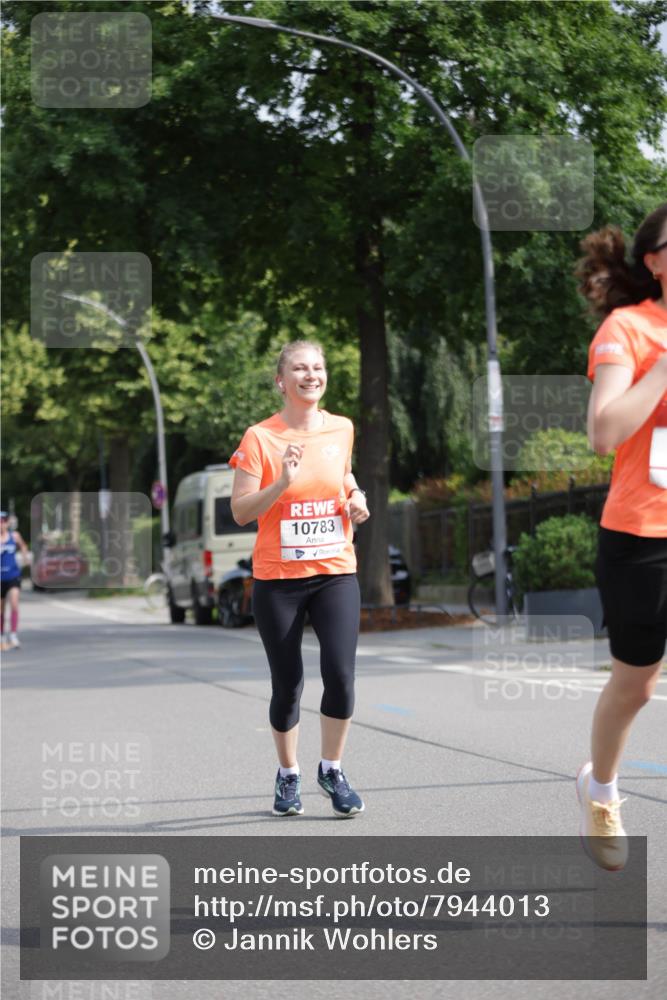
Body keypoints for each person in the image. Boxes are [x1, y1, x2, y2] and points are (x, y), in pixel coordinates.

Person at [229, 340, 370, 818]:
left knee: (341, 674)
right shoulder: (260, 438)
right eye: (299, 368)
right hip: (278, 580)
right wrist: (281, 483)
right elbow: (242, 511)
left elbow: (344, 475)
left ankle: (332, 769)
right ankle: (288, 775)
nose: (311, 375)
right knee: (288, 683)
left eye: (318, 367)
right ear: (281, 380)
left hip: (334, 572)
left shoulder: (342, 428)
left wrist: (356, 497)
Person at [575, 203, 667, 870]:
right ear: (654, 260)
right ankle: (600, 787)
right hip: (644, 533)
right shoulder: (627, 329)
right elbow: (604, 432)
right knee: (635, 685)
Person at [1, 511, 30, 651]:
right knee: (1, 609)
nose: (2, 524)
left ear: (7, 523)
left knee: (14, 603)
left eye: (4, 521)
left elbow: (24, 546)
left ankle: (13, 635)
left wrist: (24, 558)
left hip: (13, 576)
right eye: (0, 521)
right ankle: (1, 635)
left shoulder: (14, 536)